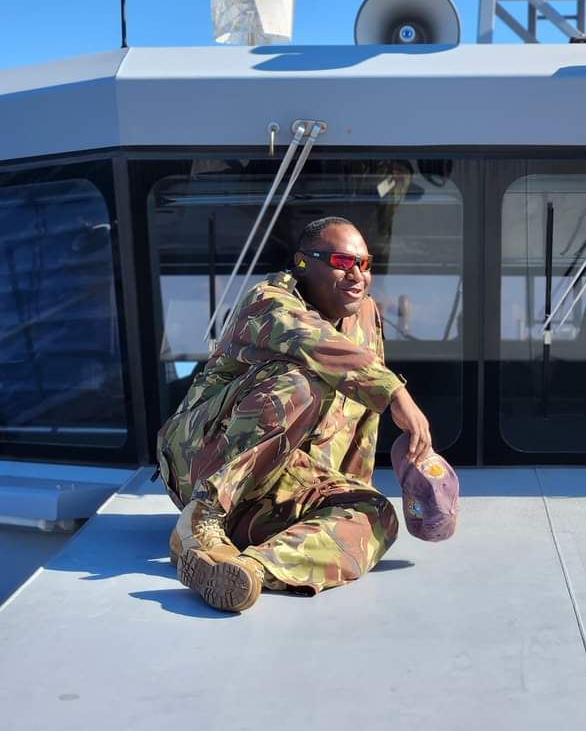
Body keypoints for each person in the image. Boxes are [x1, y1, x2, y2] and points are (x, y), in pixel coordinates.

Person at [157, 216, 432, 613]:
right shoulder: (269, 301)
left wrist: (346, 490)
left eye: (365, 264)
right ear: (303, 263)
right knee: (303, 380)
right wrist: (396, 393)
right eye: (341, 262)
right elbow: (319, 346)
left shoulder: (365, 315)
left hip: (274, 485)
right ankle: (200, 521)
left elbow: (361, 423)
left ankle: (247, 570)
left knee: (376, 513)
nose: (357, 274)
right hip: (202, 463)